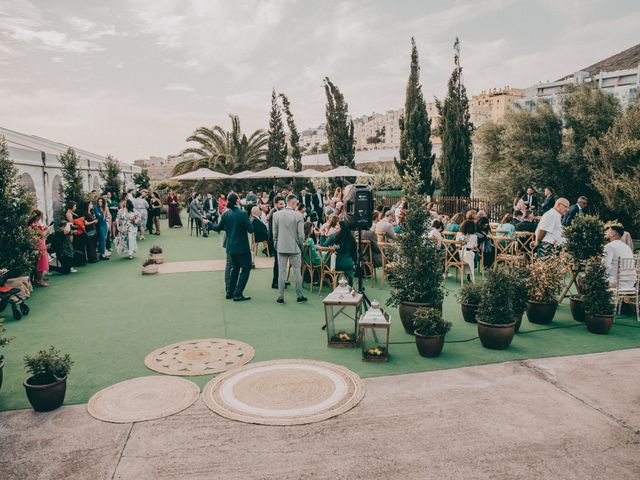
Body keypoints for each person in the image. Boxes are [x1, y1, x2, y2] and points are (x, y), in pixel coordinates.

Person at [211, 193, 254, 301]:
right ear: (237, 201)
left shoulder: (225, 214)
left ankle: (230, 292)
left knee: (235, 268)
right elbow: (250, 229)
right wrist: (251, 219)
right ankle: (238, 293)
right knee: (246, 268)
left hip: (230, 246)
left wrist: (209, 224)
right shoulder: (242, 214)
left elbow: (218, 227)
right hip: (242, 247)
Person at [272, 194, 307, 304]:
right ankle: (299, 296)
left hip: (281, 246)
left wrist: (276, 244)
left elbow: (274, 233)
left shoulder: (276, 215)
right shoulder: (298, 216)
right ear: (293, 203)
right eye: (296, 202)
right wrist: (301, 246)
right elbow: (301, 235)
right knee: (297, 272)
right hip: (295, 247)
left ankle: (280, 297)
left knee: (281, 273)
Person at [603, 225, 636, 290]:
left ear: (613, 234)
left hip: (616, 282)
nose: (606, 232)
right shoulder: (627, 247)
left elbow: (606, 265)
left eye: (608, 231)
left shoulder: (609, 246)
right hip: (630, 282)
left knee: (588, 280)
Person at [267, 196, 286, 289]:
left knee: (280, 262)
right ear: (275, 204)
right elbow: (273, 230)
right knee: (278, 262)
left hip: (278, 241)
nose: (283, 206)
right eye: (281, 204)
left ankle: (280, 280)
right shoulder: (274, 213)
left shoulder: (276, 212)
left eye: (283, 203)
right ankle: (275, 282)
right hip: (276, 241)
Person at [29, 209, 50, 286]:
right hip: (38, 245)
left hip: (41, 243)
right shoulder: (33, 225)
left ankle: (38, 278)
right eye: (41, 216)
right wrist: (48, 229)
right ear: (37, 217)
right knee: (41, 262)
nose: (41, 218)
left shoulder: (36, 223)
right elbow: (42, 235)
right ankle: (40, 280)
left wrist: (43, 228)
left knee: (40, 262)